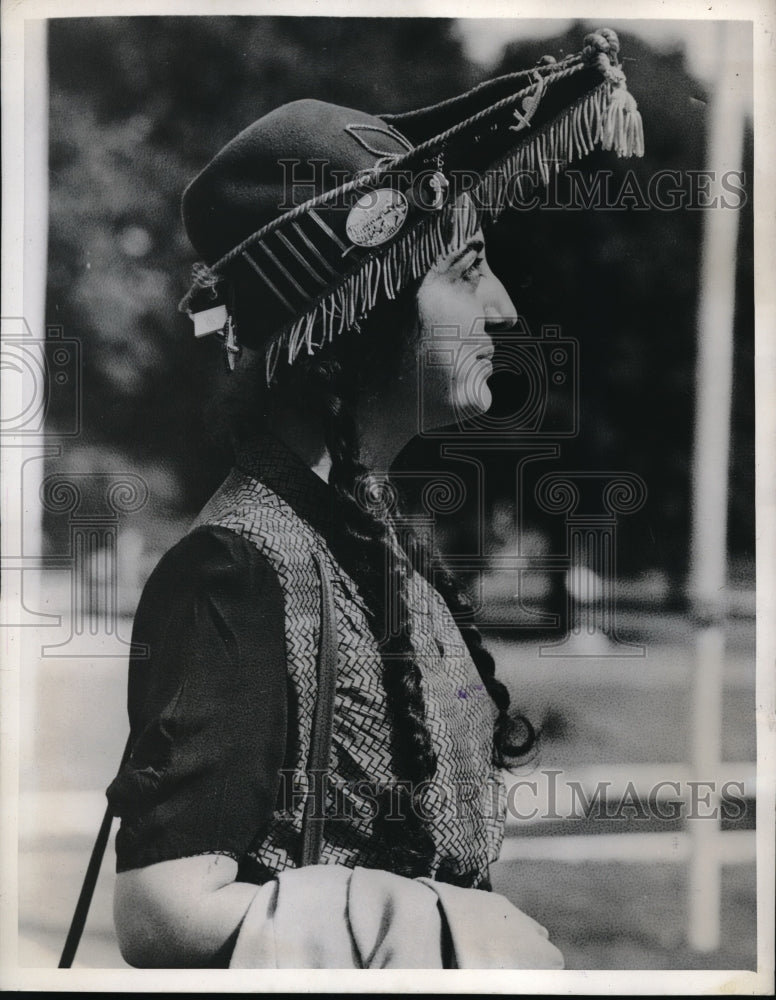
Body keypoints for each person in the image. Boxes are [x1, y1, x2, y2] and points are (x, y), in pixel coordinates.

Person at [106, 28, 643, 969]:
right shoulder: (237, 568)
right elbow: (160, 912)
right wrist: (441, 926)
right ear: (359, 313)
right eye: (467, 269)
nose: (504, 308)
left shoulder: (368, 533)